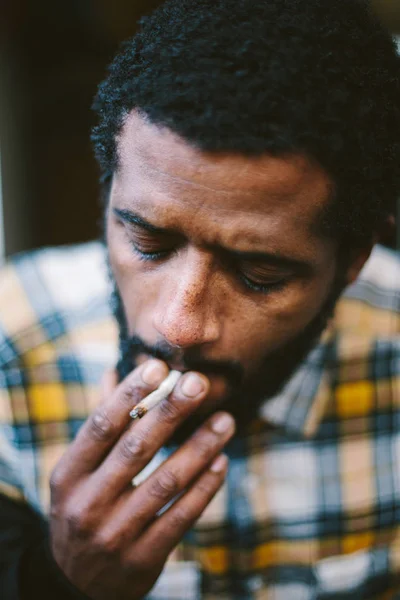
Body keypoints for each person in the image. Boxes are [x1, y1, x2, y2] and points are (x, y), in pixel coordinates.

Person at [1, 0, 400, 598]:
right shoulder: (10, 351)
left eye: (260, 273)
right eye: (147, 241)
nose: (179, 325)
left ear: (352, 262)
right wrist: (56, 579)